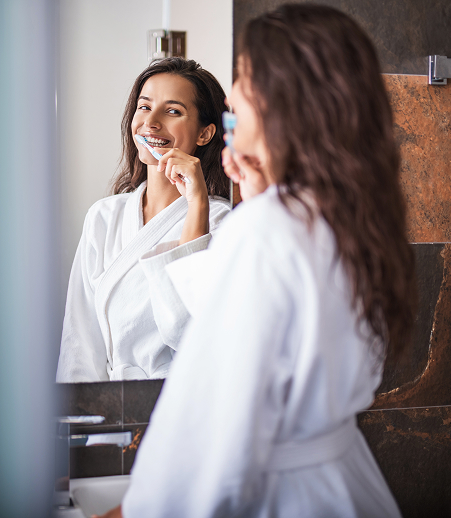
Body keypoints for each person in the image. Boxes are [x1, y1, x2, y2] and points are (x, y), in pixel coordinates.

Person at [99, 4, 416, 517]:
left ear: (281, 101)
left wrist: (141, 509)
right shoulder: (348, 217)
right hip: (344, 480)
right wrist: (260, 175)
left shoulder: (264, 230)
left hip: (281, 493)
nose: (231, 99)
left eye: (244, 79)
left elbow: (215, 422)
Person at [56, 58, 230, 382]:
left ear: (205, 133)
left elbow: (194, 336)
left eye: (173, 111)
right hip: (108, 419)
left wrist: (197, 204)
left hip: (182, 410)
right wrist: (90, 424)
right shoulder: (103, 218)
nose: (150, 123)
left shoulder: (223, 223)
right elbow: (78, 341)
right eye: (144, 107)